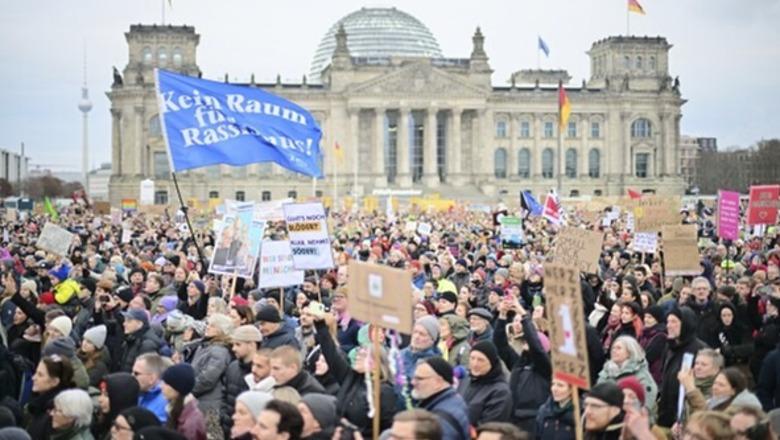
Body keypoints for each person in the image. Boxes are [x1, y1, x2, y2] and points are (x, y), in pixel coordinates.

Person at [312, 316, 396, 435]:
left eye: (363, 356)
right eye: (358, 354)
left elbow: (387, 429)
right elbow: (331, 353)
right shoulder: (350, 378)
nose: (357, 357)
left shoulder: (384, 391)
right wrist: (320, 325)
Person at [494, 299, 551, 432]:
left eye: (528, 341)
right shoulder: (518, 363)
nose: (526, 343)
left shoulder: (545, 367)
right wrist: (502, 315)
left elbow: (536, 348)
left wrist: (523, 314)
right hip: (513, 418)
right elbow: (500, 344)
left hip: (533, 420)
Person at [656, 306, 708, 428]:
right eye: (668, 321)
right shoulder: (670, 347)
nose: (668, 325)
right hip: (665, 414)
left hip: (685, 417)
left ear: (686, 324)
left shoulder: (699, 350)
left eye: (674, 321)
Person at [189, 313, 233, 438]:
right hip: (200, 401)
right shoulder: (205, 346)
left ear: (222, 330)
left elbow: (207, 379)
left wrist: (188, 390)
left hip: (209, 404)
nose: (208, 327)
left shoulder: (219, 351)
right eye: (208, 324)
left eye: (213, 326)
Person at [596, 336, 658, 417]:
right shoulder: (606, 371)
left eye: (619, 348)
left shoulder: (641, 375)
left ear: (630, 352)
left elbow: (646, 405)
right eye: (613, 348)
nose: (614, 351)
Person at [411, 357, 470, 440]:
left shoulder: (440, 421)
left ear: (438, 382)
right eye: (414, 378)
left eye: (419, 378)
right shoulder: (452, 400)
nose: (413, 382)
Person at [458, 340, 512, 425]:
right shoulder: (465, 381)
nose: (475, 364)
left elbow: (489, 426)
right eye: (472, 358)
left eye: (481, 360)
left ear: (491, 363)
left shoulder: (500, 392)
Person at [223, 325, 262, 435]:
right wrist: (224, 416)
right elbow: (224, 393)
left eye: (238, 344)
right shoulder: (232, 366)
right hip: (229, 427)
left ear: (251, 345)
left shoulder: (263, 370)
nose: (233, 348)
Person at [25, 355, 75, 440]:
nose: (34, 378)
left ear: (54, 382)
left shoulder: (54, 414)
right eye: (36, 373)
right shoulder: (38, 401)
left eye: (40, 375)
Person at [161, 363, 206, 440]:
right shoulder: (173, 409)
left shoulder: (191, 423)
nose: (161, 386)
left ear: (177, 388)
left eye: (166, 384)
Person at [677, 349, 724, 416]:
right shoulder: (686, 383)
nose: (698, 367)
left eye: (704, 365)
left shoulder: (719, 389)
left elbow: (706, 415)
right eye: (696, 363)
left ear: (717, 369)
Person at [94, 372, 140, 440]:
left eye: (106, 395)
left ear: (120, 399)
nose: (100, 399)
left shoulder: (126, 434)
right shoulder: (102, 420)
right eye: (101, 394)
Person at [118, 308, 164, 373]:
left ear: (140, 324)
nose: (124, 324)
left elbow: (144, 372)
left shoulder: (147, 344)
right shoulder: (132, 339)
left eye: (129, 321)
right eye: (125, 320)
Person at [400, 316, 441, 383]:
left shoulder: (435, 364)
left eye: (422, 334)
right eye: (415, 332)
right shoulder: (400, 355)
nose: (416, 337)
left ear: (432, 340)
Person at [133, 353, 169, 423]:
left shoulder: (164, 405)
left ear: (151, 379)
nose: (132, 376)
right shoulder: (139, 392)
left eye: (136, 374)